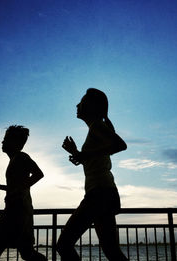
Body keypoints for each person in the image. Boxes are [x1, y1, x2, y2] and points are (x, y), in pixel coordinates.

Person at [57, 88, 128, 261]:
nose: (77, 105)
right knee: (112, 251)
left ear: (91, 106)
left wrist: (84, 155)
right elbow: (97, 160)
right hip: (104, 192)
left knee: (63, 245)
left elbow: (120, 145)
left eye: (81, 102)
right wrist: (77, 153)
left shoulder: (97, 125)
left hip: (99, 193)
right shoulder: (96, 129)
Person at [0, 125, 47, 261]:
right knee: (25, 253)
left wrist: (19, 188)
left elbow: (39, 174)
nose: (3, 142)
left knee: (2, 252)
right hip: (14, 210)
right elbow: (16, 186)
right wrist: (1, 187)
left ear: (16, 143)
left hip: (19, 212)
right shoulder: (14, 160)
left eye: (7, 139)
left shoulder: (22, 157)